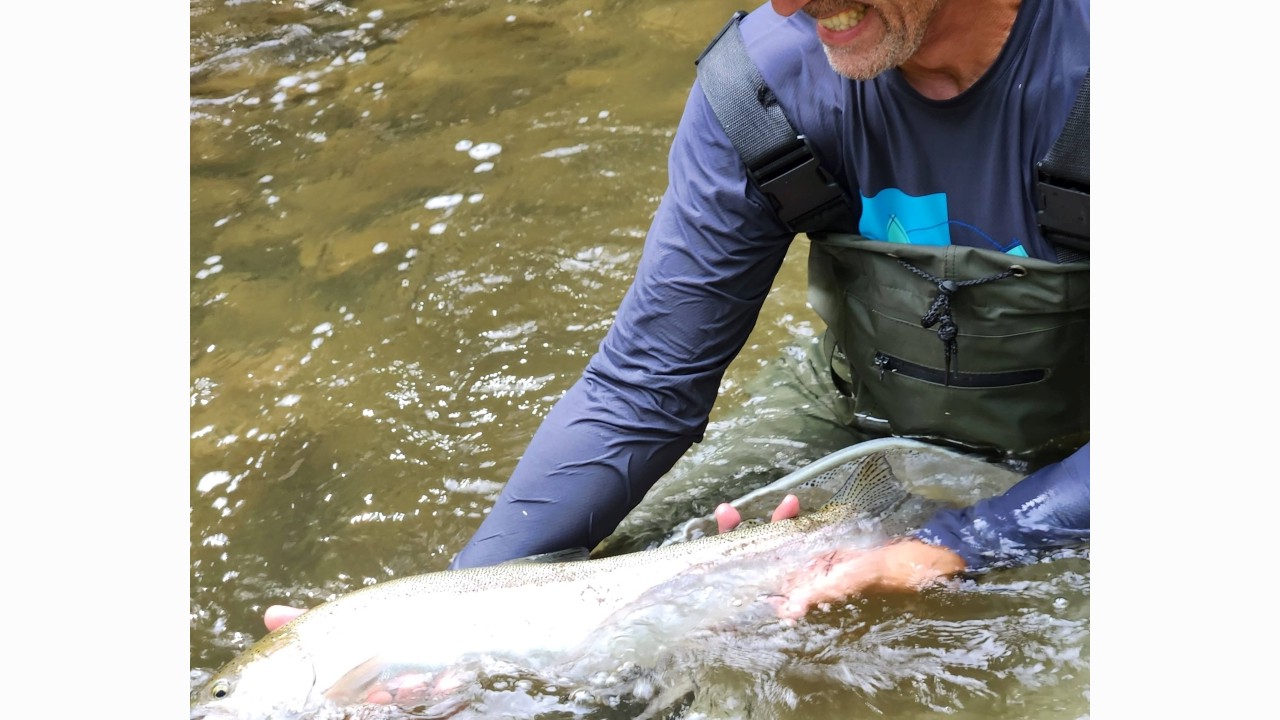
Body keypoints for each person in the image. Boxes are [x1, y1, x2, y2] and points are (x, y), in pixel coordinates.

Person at [266, 0, 1090, 631]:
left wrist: (957, 548)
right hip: (861, 412)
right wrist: (451, 619)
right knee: (599, 627)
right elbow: (643, 387)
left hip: (1078, 450)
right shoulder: (764, 87)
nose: (793, 3)